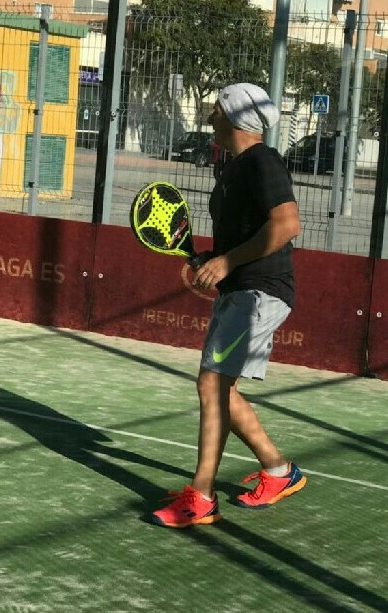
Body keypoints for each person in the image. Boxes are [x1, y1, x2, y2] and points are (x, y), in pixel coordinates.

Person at [152, 83, 306, 528]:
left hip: (260, 291)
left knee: (212, 385)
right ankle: (278, 470)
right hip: (240, 289)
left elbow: (287, 225)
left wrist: (228, 261)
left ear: (234, 116)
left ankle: (201, 496)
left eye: (216, 108)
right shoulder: (234, 168)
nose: (210, 115)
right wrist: (212, 259)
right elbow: (245, 234)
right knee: (222, 389)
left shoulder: (262, 161)